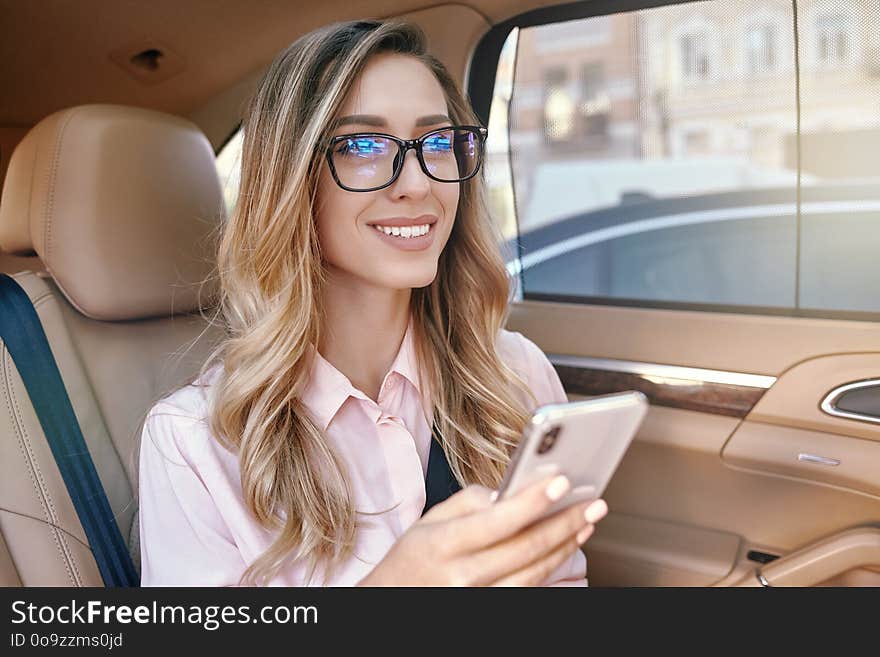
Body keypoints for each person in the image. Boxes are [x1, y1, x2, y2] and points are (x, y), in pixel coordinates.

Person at [137, 18, 608, 587]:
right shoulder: (196, 443)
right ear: (292, 182)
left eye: (437, 142)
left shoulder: (516, 375)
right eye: (363, 145)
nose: (417, 183)